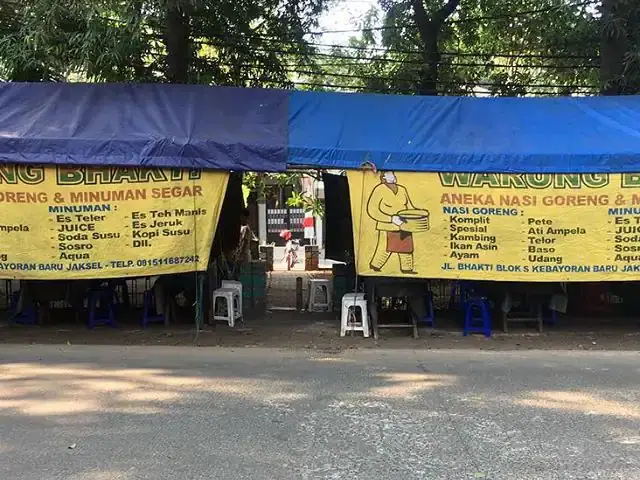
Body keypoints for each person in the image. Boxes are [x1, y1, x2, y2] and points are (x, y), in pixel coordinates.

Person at [366, 171, 420, 274]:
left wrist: (415, 216)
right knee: (385, 248)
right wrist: (391, 219)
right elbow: (372, 210)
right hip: (387, 226)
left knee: (406, 248)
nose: (393, 177)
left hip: (404, 225)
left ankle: (407, 269)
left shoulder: (402, 189)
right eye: (390, 174)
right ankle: (375, 266)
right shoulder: (379, 189)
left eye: (393, 174)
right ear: (383, 178)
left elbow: (409, 206)